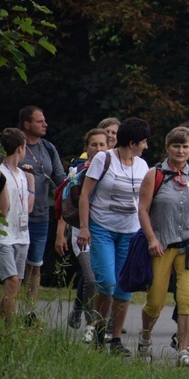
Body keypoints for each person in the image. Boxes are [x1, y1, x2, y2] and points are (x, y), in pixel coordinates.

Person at [136, 127, 189, 367]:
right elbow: (143, 210)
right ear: (167, 147)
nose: (181, 151)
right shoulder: (154, 174)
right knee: (156, 300)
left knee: (188, 298)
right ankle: (145, 338)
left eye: (185, 146)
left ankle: (183, 349)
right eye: (176, 146)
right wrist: (151, 239)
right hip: (162, 245)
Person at [76, 117, 151, 355]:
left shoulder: (142, 165)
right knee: (107, 282)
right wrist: (84, 228)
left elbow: (146, 202)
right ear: (132, 142)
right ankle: (99, 329)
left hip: (130, 232)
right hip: (102, 228)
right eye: (143, 142)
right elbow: (85, 195)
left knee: (124, 288)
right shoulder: (103, 159)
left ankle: (115, 339)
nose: (146, 146)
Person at [54, 128, 108, 343]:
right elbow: (66, 207)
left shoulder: (114, 170)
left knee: (100, 279)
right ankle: (91, 323)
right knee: (91, 278)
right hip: (81, 233)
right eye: (94, 144)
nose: (98, 149)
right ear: (87, 147)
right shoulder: (78, 171)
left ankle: (80, 308)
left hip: (106, 233)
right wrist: (61, 234)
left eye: (102, 145)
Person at [18, 106, 66, 320]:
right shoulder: (14, 147)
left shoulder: (48, 148)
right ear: (27, 124)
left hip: (40, 215)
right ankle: (9, 309)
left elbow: (60, 178)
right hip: (16, 217)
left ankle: (29, 311)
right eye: (40, 121)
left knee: (35, 265)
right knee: (15, 268)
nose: (45, 124)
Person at [0, 128, 35, 323]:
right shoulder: (1, 173)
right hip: (4, 236)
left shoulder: (22, 174)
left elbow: (28, 207)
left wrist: (32, 183)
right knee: (12, 282)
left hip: (22, 235)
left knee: (15, 286)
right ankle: (10, 329)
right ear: (20, 148)